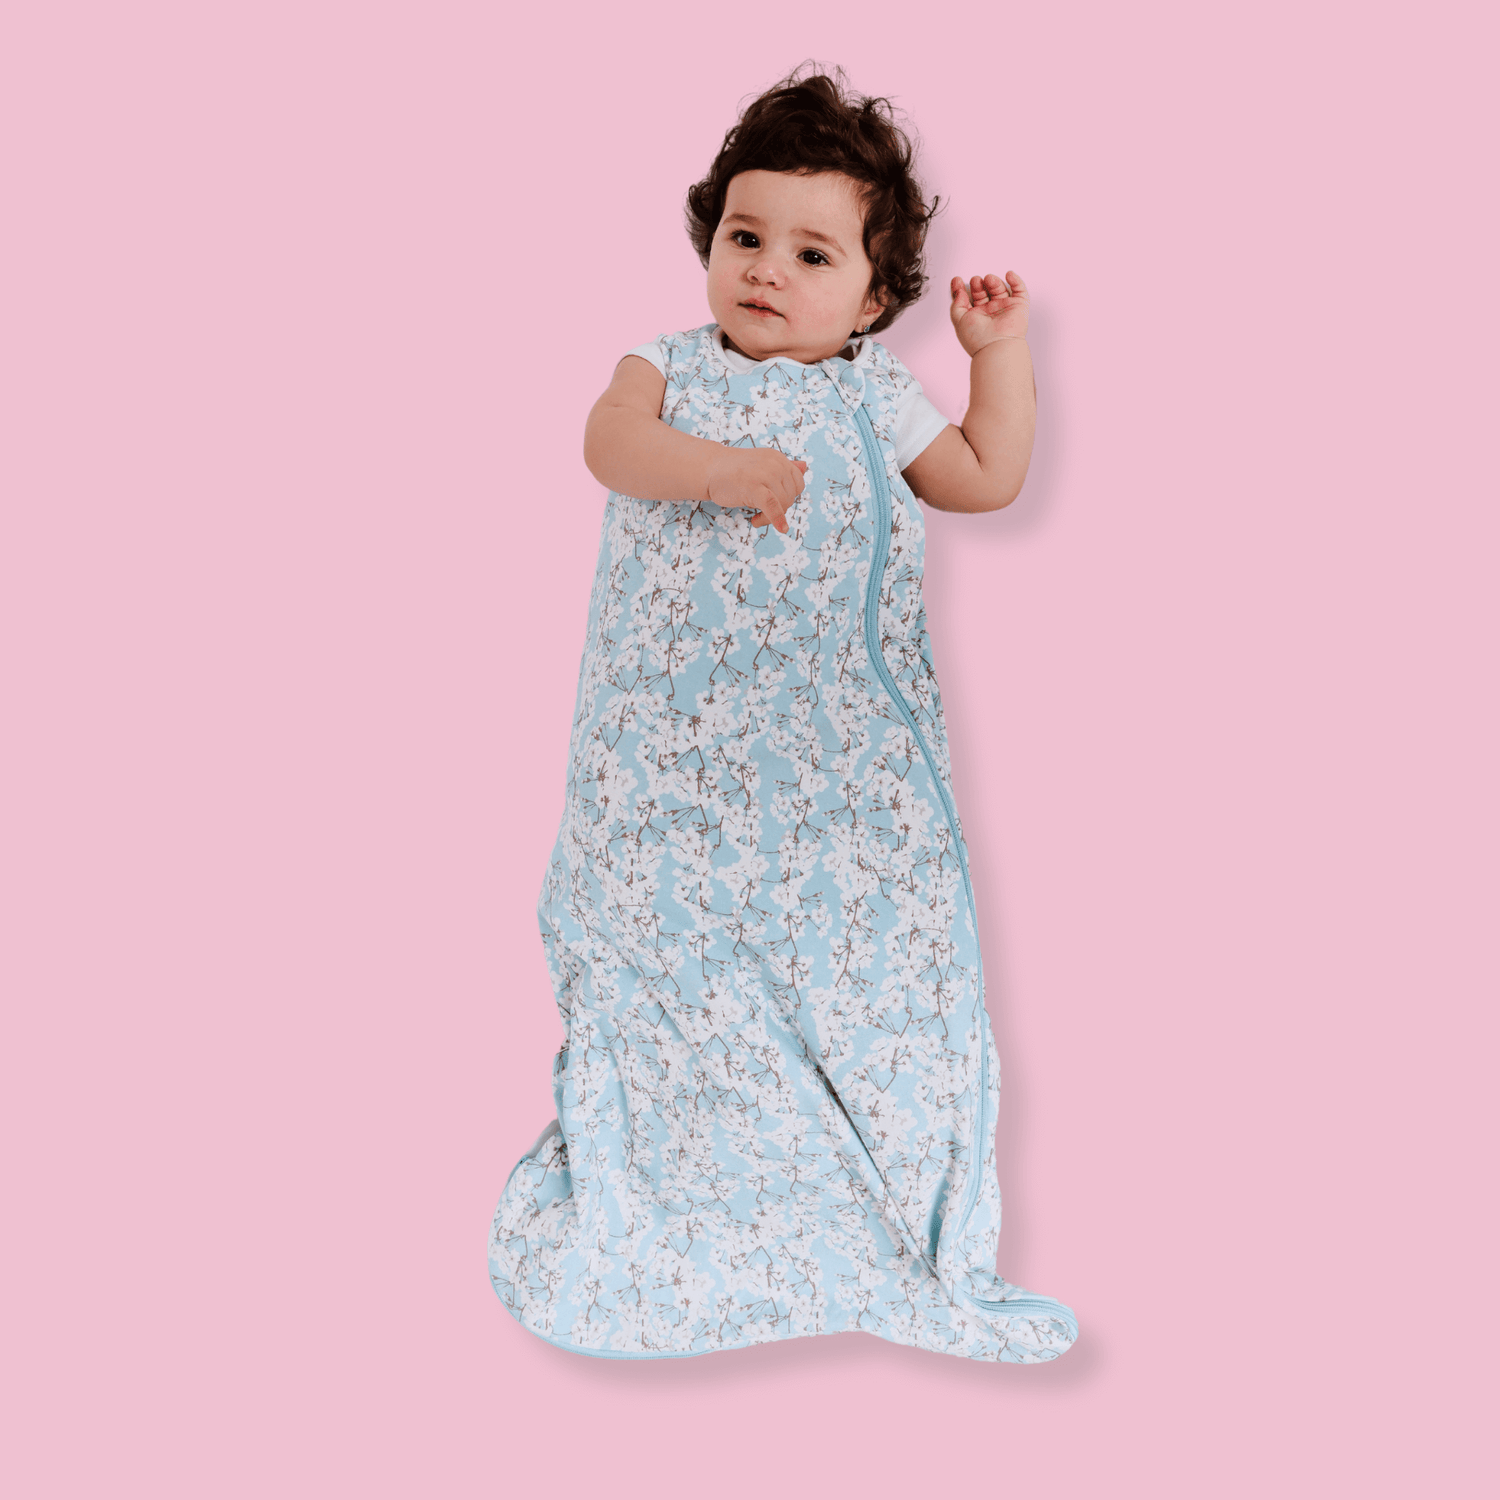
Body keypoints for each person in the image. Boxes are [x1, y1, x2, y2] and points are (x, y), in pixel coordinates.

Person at [489, 66, 1076, 1362]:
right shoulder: (664, 368)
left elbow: (984, 479)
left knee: (851, 954)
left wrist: (999, 358)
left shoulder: (876, 394)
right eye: (744, 236)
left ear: (871, 301)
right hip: (663, 760)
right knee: (668, 951)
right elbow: (609, 446)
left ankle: (850, 1176)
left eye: (813, 254)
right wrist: (717, 471)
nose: (765, 269)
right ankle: (689, 1161)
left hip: (829, 767)